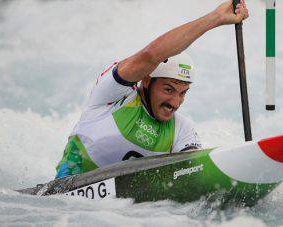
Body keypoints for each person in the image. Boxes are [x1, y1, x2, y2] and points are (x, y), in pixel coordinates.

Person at [55, 0, 249, 179]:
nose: (175, 103)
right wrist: (215, 17)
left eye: (183, 93)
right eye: (168, 90)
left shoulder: (181, 129)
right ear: (147, 80)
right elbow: (150, 56)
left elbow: (196, 172)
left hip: (124, 215)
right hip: (68, 203)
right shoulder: (112, 95)